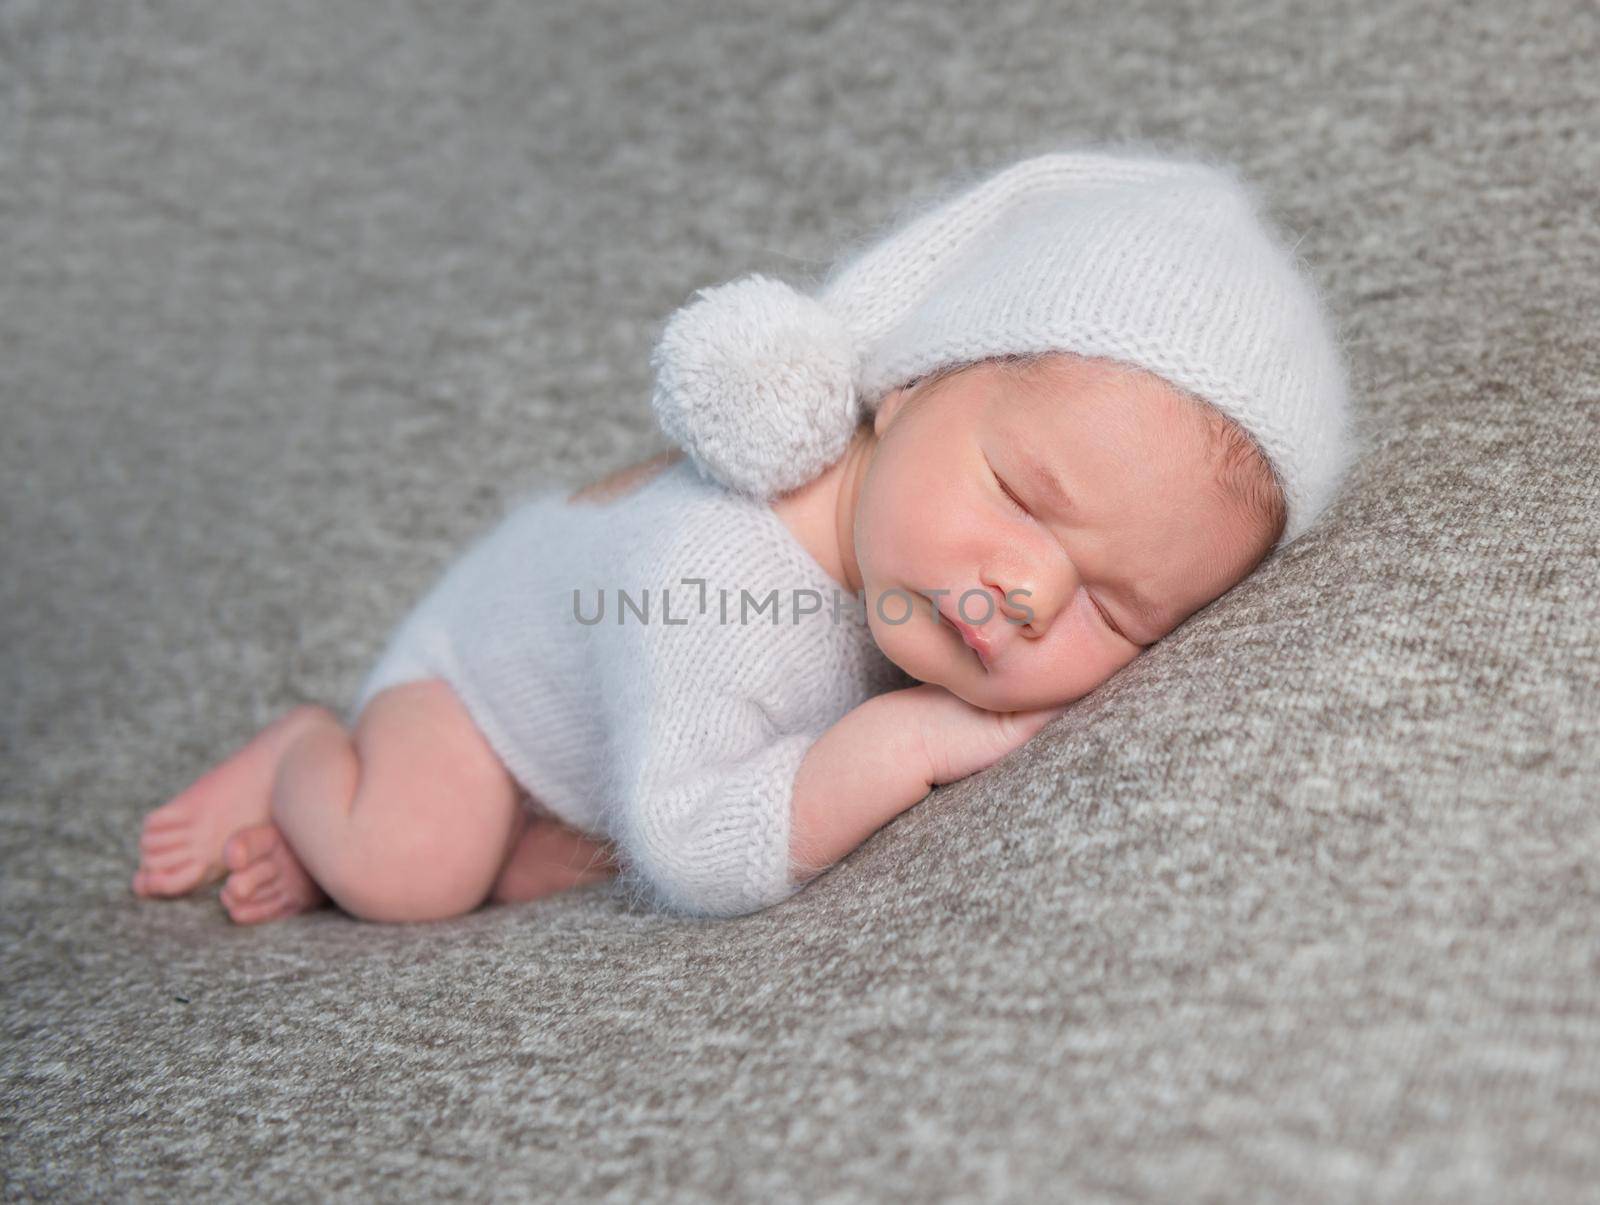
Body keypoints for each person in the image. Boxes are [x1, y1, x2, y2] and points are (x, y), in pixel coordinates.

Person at [131, 145, 1355, 923]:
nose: (1029, 589)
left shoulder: (902, 556)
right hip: (465, 692)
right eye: (1023, 496)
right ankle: (309, 758)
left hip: (603, 725)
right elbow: (689, 843)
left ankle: (410, 840)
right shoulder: (709, 578)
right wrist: (898, 741)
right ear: (911, 386)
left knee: (501, 860)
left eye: (1115, 607)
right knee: (414, 870)